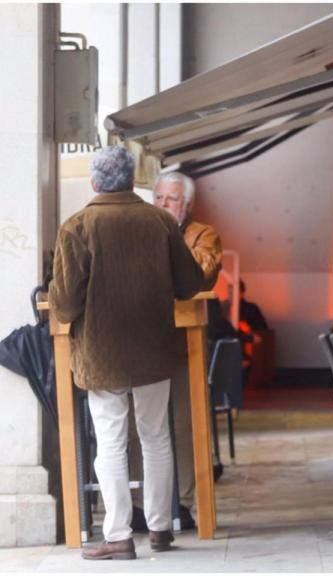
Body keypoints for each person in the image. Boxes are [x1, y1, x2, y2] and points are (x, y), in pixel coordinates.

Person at [49, 147, 203, 560]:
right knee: (155, 437)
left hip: (102, 354)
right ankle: (160, 529)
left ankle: (117, 535)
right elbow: (190, 284)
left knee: (112, 442)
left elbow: (63, 305)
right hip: (154, 349)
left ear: (95, 183)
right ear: (133, 179)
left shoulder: (77, 226)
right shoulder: (160, 222)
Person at [128, 171, 223, 530]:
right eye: (159, 198)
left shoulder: (204, 234)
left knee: (184, 428)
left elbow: (200, 274)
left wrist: (163, 248)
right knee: (140, 428)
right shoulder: (139, 231)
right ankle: (140, 508)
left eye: (171, 199)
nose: (163, 205)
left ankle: (184, 506)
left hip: (185, 347)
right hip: (144, 344)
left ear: (188, 205)